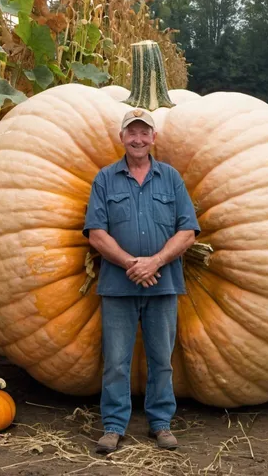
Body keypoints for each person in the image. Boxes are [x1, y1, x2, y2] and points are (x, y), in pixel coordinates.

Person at [83, 108, 200, 454]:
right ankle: (113, 427)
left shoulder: (171, 179)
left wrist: (156, 262)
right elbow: (96, 233)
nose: (137, 139)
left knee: (161, 358)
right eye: (131, 133)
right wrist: (132, 264)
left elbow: (188, 230)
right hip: (118, 287)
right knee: (116, 360)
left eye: (144, 132)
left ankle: (160, 424)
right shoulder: (105, 179)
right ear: (122, 138)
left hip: (163, 284)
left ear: (153, 138)